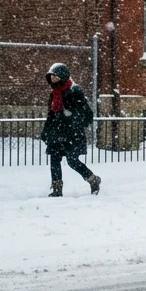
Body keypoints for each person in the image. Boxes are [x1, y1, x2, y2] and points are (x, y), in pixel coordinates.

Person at [40, 63, 100, 197]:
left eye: (55, 76)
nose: (53, 79)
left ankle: (93, 179)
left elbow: (87, 114)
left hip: (71, 133)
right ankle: (57, 190)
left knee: (72, 161)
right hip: (56, 133)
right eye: (51, 77)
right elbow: (51, 115)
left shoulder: (74, 90)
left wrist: (71, 118)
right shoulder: (54, 94)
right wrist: (46, 131)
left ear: (63, 76)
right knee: (54, 160)